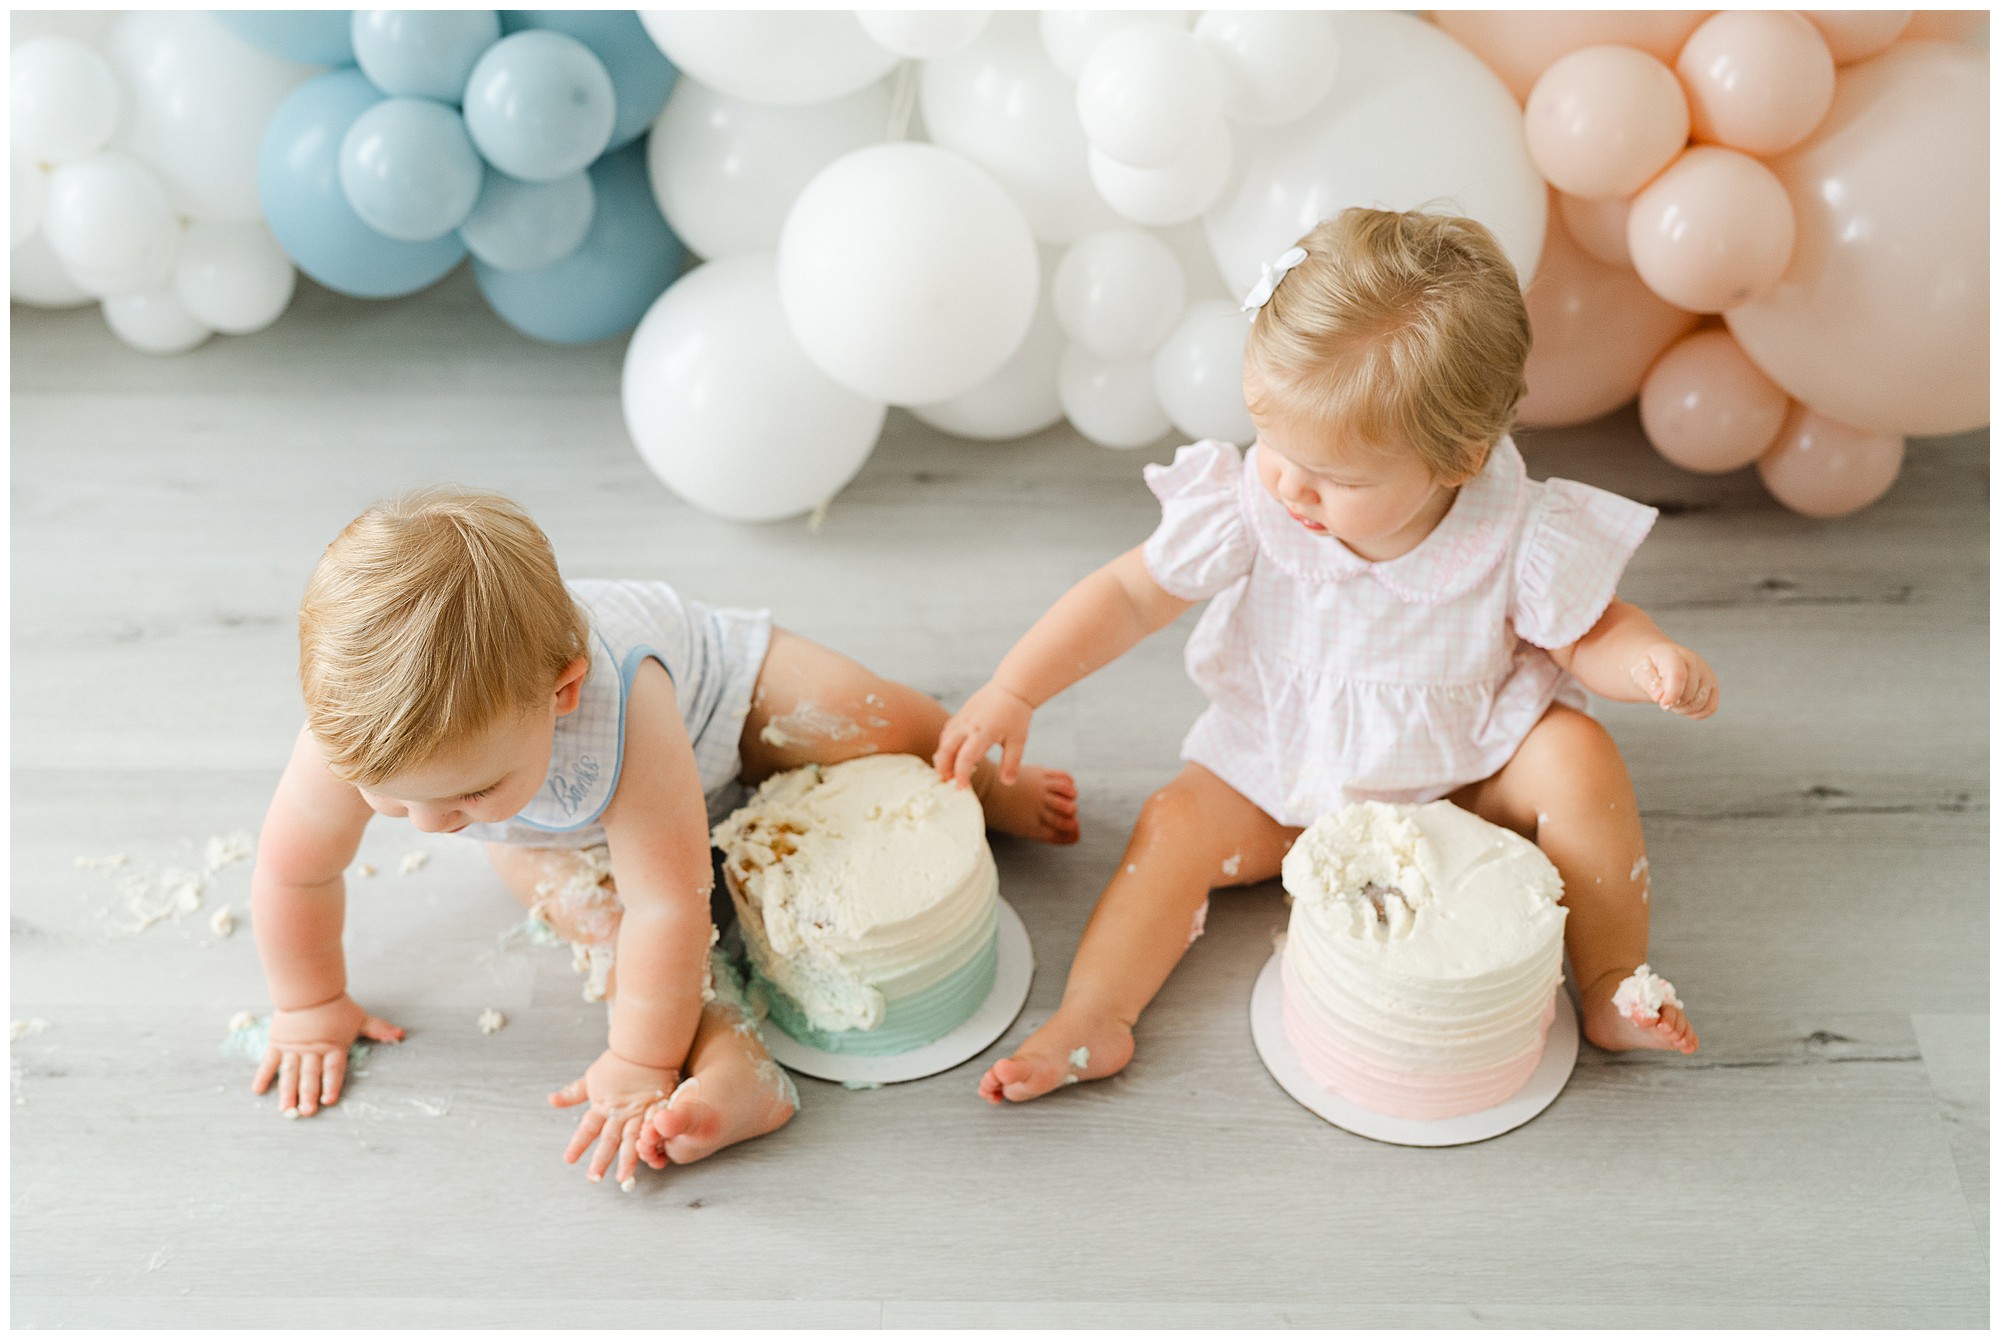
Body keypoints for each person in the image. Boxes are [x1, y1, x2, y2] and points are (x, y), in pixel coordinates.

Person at [937, 208, 1709, 1105]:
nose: (1290, 485)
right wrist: (1015, 687)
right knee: (1174, 826)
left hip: (1467, 780)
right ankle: (1094, 1016)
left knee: (1579, 756)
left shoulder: (1516, 531)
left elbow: (1591, 631)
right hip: (1284, 771)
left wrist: (1647, 660)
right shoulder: (1256, 503)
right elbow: (1129, 593)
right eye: (1272, 443)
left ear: (1457, 460)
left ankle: (1616, 980)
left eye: (1338, 478)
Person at [247, 488, 1079, 1180]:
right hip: (558, 820)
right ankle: (735, 1064)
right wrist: (310, 1003)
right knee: (593, 920)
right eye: (391, 801)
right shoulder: (345, 741)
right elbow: (295, 874)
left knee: (870, 712)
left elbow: (669, 906)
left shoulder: (621, 703)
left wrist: (639, 1061)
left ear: (562, 693)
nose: (432, 823)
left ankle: (978, 776)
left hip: (728, 698)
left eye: (470, 791)